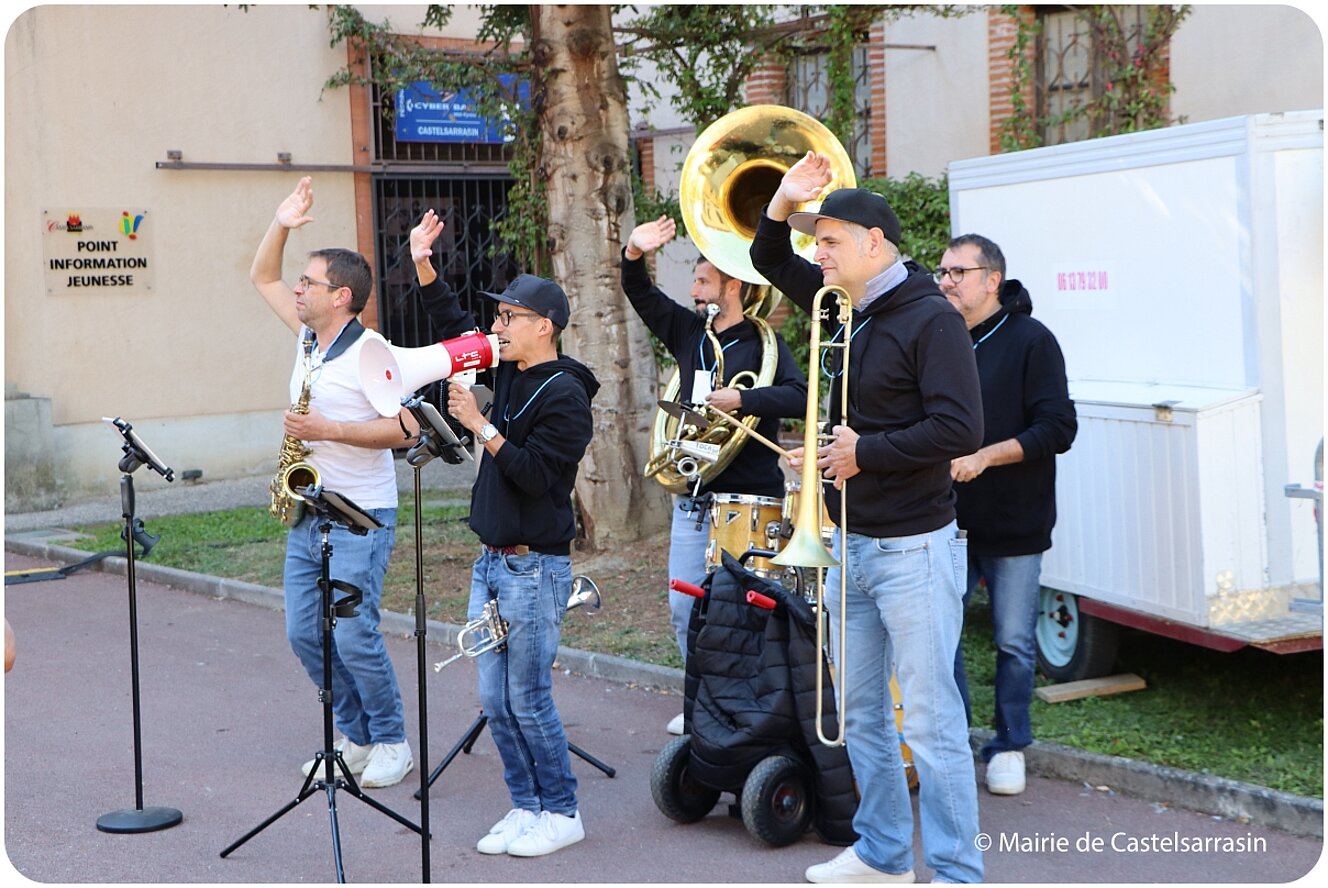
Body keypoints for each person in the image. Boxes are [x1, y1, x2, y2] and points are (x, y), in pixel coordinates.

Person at [751, 153, 985, 884]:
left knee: (932, 724)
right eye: (816, 241)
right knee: (858, 716)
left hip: (915, 550)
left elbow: (960, 431)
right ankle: (885, 853)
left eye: (829, 242)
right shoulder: (840, 303)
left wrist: (865, 453)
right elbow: (765, 254)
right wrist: (786, 200)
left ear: (874, 244)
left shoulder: (928, 319)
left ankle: (954, 871)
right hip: (849, 541)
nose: (815, 255)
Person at [411, 210, 599, 858]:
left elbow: (541, 478)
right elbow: (454, 330)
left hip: (533, 569)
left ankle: (561, 810)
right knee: (494, 699)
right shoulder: (514, 372)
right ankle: (526, 805)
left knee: (528, 697)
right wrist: (424, 265)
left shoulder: (565, 394)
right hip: (493, 564)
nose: (497, 328)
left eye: (509, 318)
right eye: (498, 317)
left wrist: (480, 425)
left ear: (542, 326)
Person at [250, 177, 417, 789]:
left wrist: (329, 429)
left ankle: (392, 740)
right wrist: (283, 221)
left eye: (309, 282)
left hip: (361, 514)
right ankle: (356, 736)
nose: (297, 288)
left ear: (341, 295)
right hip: (310, 509)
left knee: (354, 632)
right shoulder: (308, 338)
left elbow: (404, 430)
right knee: (303, 632)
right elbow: (261, 277)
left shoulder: (370, 351)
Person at [621, 215, 808, 734]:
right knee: (686, 606)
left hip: (748, 497)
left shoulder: (764, 345)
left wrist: (744, 398)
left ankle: (742, 704)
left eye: (703, 281)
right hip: (693, 496)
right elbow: (640, 293)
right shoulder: (688, 332)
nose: (694, 289)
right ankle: (700, 699)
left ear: (734, 288)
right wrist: (634, 252)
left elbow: (799, 394)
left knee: (739, 609)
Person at [939, 234, 1077, 797]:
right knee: (938, 636)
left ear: (991, 280)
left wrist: (985, 457)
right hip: (943, 520)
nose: (945, 281)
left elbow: (1058, 429)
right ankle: (952, 741)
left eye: (957, 273)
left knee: (1014, 641)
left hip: (1015, 523)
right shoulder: (937, 337)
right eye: (941, 273)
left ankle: (1009, 745)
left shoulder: (1032, 341)